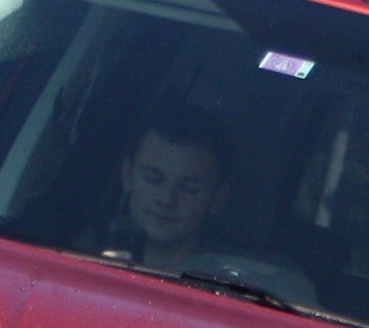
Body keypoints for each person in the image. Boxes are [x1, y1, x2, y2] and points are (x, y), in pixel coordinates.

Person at [103, 109, 316, 302]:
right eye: (153, 179)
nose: (167, 199)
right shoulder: (85, 261)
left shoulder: (268, 291)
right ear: (127, 176)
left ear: (218, 197)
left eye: (189, 189)